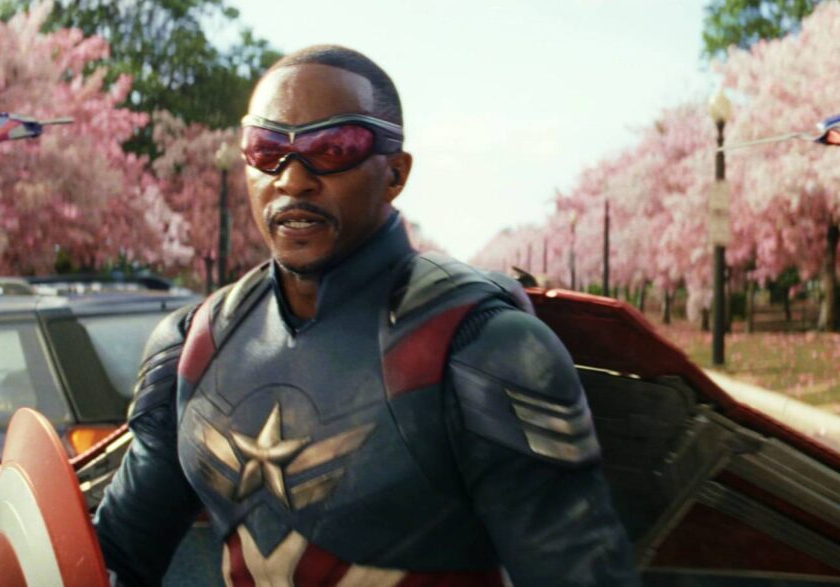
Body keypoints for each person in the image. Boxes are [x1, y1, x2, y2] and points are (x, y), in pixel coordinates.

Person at [94, 44, 640, 586]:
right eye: (267, 149)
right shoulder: (194, 344)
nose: (292, 179)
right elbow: (113, 558)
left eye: (333, 148)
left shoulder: (486, 348)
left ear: (395, 173)